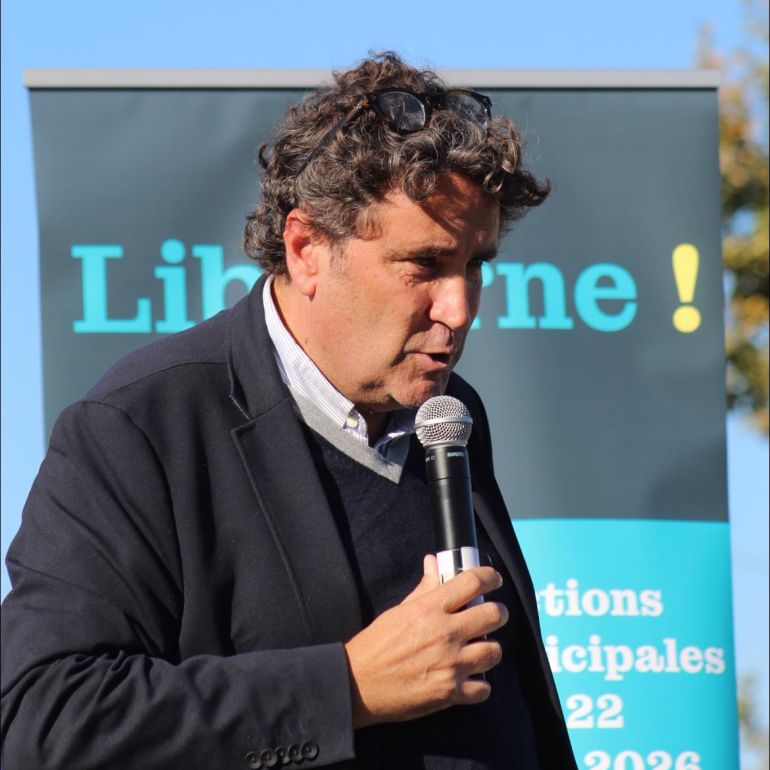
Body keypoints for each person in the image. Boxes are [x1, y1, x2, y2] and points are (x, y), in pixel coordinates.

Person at [1, 53, 577, 769]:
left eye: (475, 266)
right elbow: (43, 719)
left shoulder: (451, 416)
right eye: (424, 265)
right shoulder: (141, 424)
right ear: (306, 249)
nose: (458, 309)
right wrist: (348, 688)